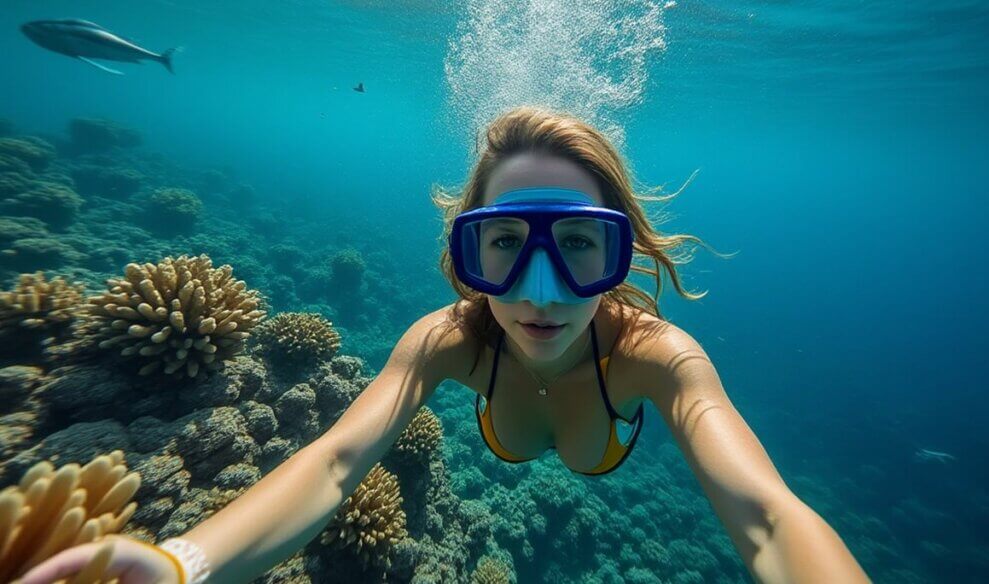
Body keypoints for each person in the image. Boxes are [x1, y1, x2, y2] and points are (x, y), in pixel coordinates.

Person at [19, 106, 868, 583]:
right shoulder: (446, 339)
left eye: (579, 244)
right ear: (470, 251)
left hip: (592, 440)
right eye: (505, 243)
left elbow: (768, 519)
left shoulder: (660, 357)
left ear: (623, 253)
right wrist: (183, 567)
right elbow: (338, 460)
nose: (539, 293)